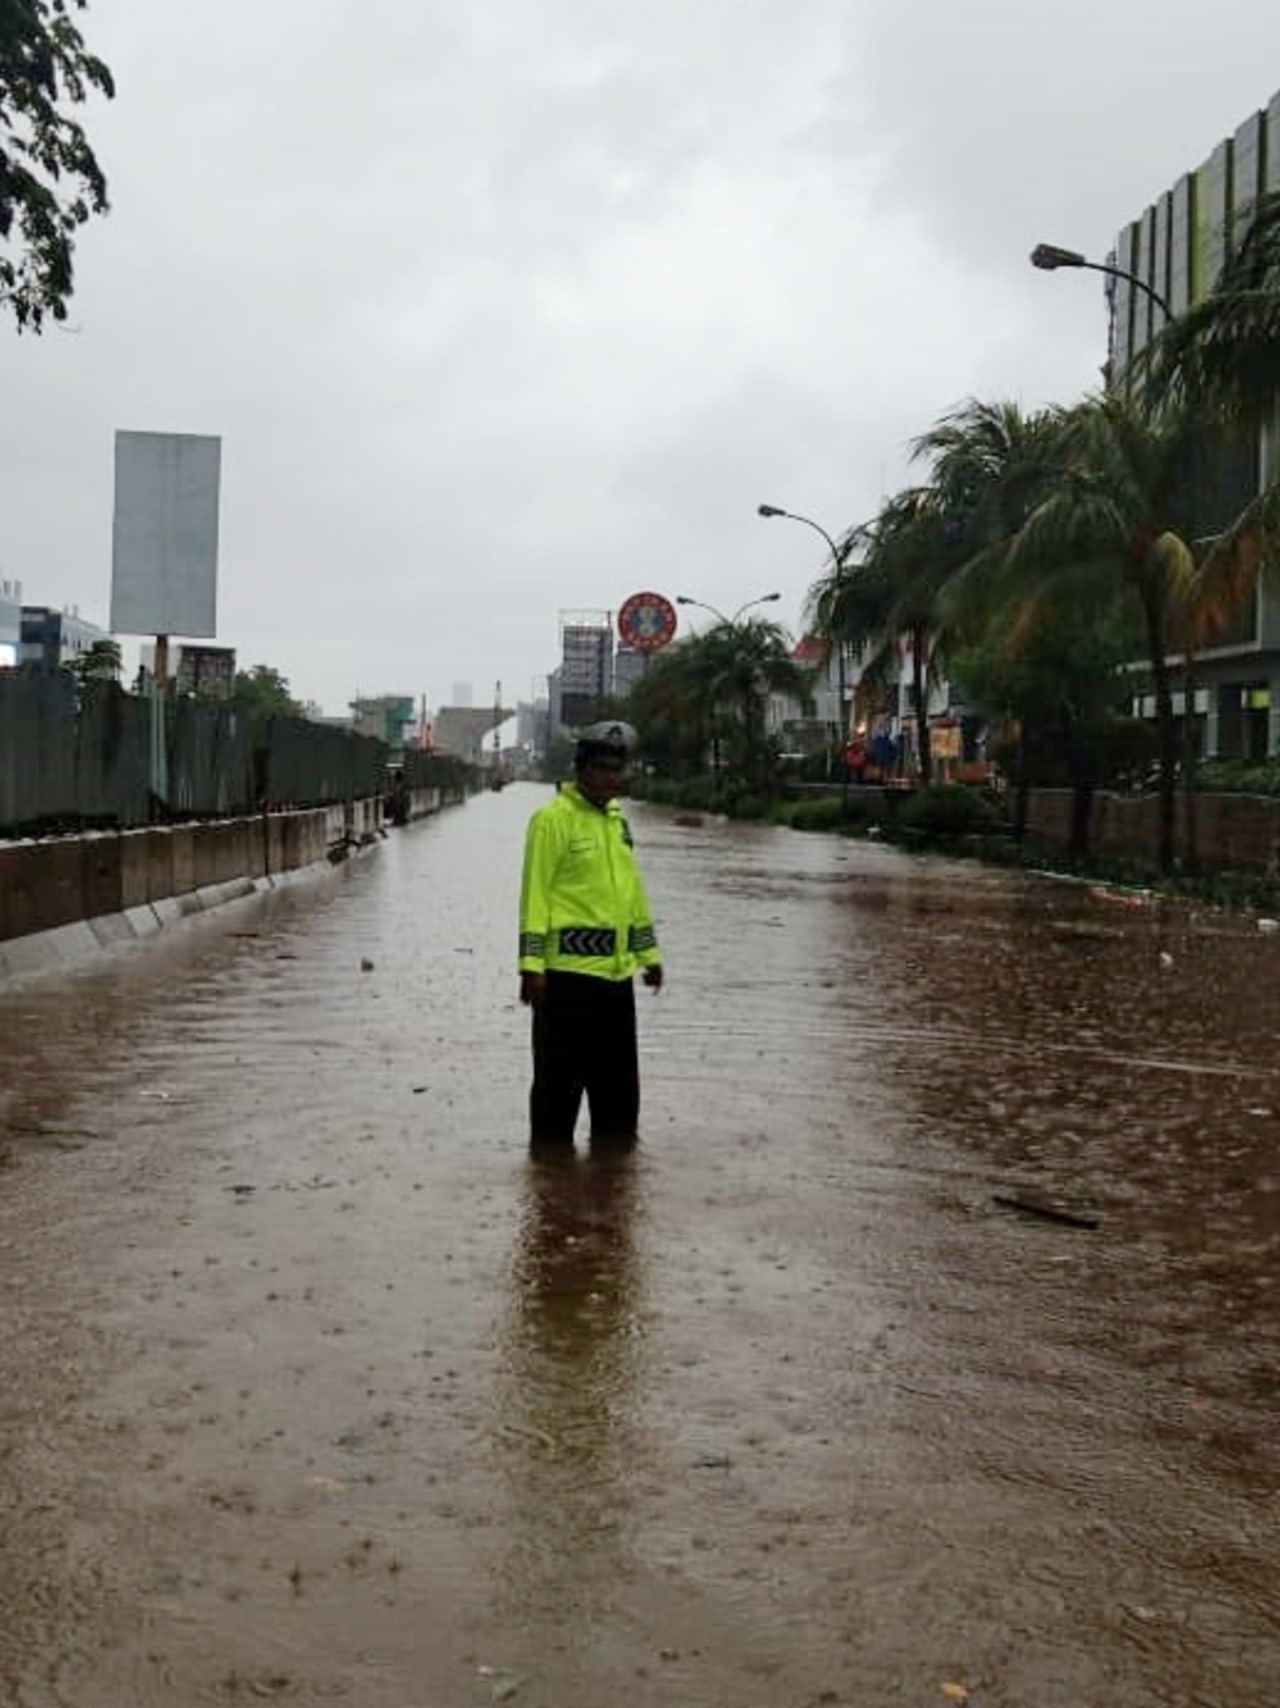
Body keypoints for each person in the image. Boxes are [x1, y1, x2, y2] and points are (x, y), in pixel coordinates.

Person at [518, 721, 664, 1151]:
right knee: (556, 1100)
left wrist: (649, 956)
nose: (611, 778)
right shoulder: (552, 820)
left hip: (616, 984)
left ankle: (612, 1195)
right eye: (602, 769)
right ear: (581, 770)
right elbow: (535, 895)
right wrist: (531, 967)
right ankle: (549, 1197)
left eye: (617, 770)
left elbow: (632, 896)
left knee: (619, 1107)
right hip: (564, 981)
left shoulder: (618, 824)